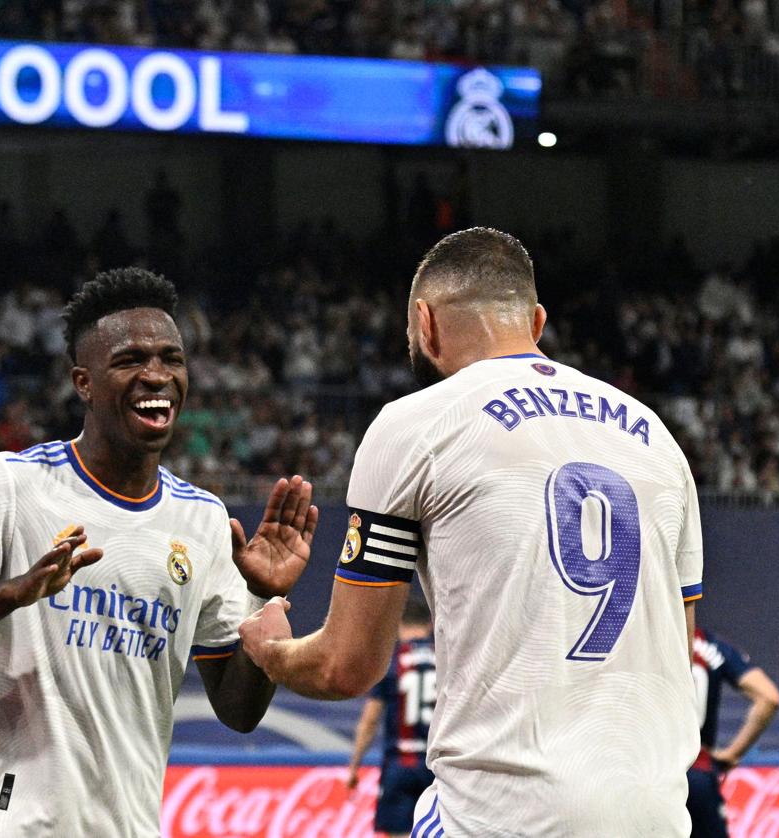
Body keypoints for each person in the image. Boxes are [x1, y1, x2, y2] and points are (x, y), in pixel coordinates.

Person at [240, 227, 703, 836]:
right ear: (536, 322)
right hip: (660, 816)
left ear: (425, 324)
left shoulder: (415, 425)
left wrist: (270, 649)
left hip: (503, 815)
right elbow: (678, 646)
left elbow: (346, 668)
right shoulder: (657, 440)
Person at [0, 267, 318, 838]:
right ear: (83, 383)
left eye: (171, 358)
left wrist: (264, 598)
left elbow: (238, 711)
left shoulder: (203, 519)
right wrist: (14, 593)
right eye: (130, 360)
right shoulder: (13, 485)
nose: (156, 375)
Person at [345, 597, 435, 838]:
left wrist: (354, 765)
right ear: (430, 624)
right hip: (438, 766)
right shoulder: (445, 662)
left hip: (400, 764)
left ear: (398, 624)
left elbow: (370, 720)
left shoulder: (391, 663)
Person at [688, 626, 779, 838]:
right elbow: (769, 697)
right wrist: (732, 755)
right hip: (699, 775)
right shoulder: (710, 644)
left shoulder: (648, 641)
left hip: (654, 774)